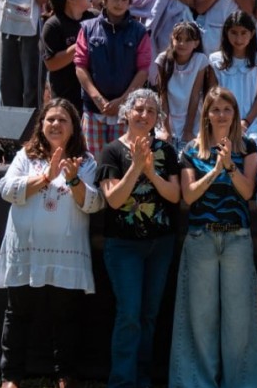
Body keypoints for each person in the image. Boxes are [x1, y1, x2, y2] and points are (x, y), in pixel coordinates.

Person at [0, 98, 104, 388]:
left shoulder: (86, 161)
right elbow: (6, 189)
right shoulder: (25, 156)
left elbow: (93, 203)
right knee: (17, 314)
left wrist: (73, 179)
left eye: (62, 120)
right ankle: (11, 377)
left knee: (66, 316)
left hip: (66, 254)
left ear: (73, 127)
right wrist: (46, 176)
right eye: (50, 119)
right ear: (41, 125)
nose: (55, 124)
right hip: (27, 251)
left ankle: (65, 375)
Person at [169, 86, 257, 388]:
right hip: (201, 238)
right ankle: (198, 382)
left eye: (227, 109)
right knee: (200, 319)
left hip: (236, 238)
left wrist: (231, 168)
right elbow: (189, 195)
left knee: (239, 320)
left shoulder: (248, 147)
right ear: (206, 114)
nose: (222, 114)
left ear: (234, 113)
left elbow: (248, 192)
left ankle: (241, 382)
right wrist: (215, 170)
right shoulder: (190, 150)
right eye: (216, 109)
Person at [97, 89, 181, 388]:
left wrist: (151, 172)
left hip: (160, 244)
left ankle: (142, 379)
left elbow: (174, 195)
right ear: (127, 113)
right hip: (124, 248)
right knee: (129, 314)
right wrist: (136, 167)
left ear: (158, 118)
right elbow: (114, 200)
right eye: (139, 109)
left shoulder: (167, 152)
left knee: (148, 315)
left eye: (150, 111)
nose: (144, 115)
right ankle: (122, 381)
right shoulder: (111, 151)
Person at [74, 0, 151, 157]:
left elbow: (143, 69)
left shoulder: (139, 31)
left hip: (125, 110)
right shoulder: (87, 28)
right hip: (93, 109)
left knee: (122, 161)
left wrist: (124, 100)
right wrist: (97, 98)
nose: (119, 3)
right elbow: (80, 65)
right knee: (93, 161)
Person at [207, 11, 257, 151]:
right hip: (222, 121)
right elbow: (212, 95)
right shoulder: (215, 60)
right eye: (234, 32)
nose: (239, 38)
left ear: (252, 33)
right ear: (226, 33)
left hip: (251, 123)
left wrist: (246, 122)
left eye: (244, 33)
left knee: (250, 162)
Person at [42, 0, 95, 112]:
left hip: (93, 97)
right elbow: (51, 64)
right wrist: (79, 44)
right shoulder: (53, 25)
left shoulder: (94, 18)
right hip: (66, 98)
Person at [155, 21, 210, 152]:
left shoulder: (200, 60)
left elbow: (195, 95)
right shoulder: (163, 59)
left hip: (191, 118)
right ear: (171, 39)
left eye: (188, 40)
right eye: (178, 39)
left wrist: (188, 129)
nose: (182, 44)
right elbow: (163, 95)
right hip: (168, 117)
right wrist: (166, 129)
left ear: (196, 43)